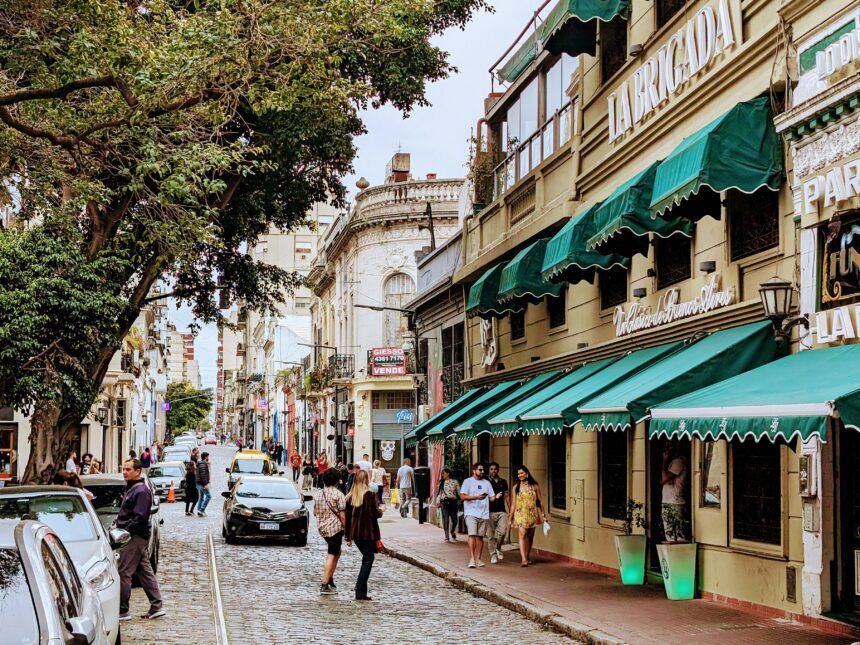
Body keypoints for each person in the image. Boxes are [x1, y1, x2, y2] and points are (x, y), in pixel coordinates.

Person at [116, 458, 165, 620]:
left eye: (128, 469)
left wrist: (125, 532)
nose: (124, 472)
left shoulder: (141, 491)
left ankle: (123, 610)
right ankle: (157, 605)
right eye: (123, 469)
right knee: (144, 571)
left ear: (138, 471)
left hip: (135, 536)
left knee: (124, 572)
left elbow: (140, 517)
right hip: (135, 535)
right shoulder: (132, 488)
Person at [345, 470, 383, 601]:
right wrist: (381, 510)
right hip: (367, 533)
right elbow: (374, 514)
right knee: (368, 559)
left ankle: (360, 590)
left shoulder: (351, 496)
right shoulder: (369, 495)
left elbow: (348, 519)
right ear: (366, 480)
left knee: (367, 558)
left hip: (356, 534)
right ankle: (360, 590)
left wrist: (348, 536)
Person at [314, 467, 347, 595]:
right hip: (335, 528)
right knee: (332, 554)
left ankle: (330, 578)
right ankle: (324, 584)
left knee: (337, 552)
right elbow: (343, 516)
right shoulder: (339, 495)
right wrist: (347, 530)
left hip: (322, 528)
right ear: (336, 481)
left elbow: (315, 512)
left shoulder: (318, 494)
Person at [508, 465, 544, 567]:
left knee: (530, 535)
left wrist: (543, 515)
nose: (520, 475)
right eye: (518, 474)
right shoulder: (516, 487)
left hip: (532, 514)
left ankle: (527, 556)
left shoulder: (535, 486)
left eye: (521, 473)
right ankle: (523, 559)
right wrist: (510, 518)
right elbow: (513, 504)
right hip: (520, 514)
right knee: (522, 534)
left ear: (527, 474)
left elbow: (539, 502)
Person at [459, 462, 494, 568]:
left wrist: (496, 497)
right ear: (474, 471)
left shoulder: (487, 483)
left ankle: (478, 558)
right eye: (480, 470)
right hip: (471, 512)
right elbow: (462, 496)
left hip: (483, 513)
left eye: (483, 470)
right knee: (472, 534)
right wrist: (476, 497)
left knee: (480, 537)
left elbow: (491, 497)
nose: (482, 472)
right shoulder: (467, 482)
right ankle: (472, 558)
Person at [661, 441, 689, 542]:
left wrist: (664, 460)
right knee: (670, 533)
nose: (667, 449)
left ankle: (680, 556)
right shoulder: (674, 461)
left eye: (670, 445)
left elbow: (665, 479)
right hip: (669, 501)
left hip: (674, 501)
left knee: (676, 534)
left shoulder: (679, 461)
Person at [486, 461, 509, 564]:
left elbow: (507, 496)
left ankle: (498, 547)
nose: (493, 471)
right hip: (489, 511)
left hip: (501, 511)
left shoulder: (503, 482)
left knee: (503, 531)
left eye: (495, 469)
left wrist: (511, 509)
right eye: (491, 469)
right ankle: (493, 555)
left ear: (498, 470)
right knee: (490, 535)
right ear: (489, 470)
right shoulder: (485, 482)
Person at [435, 468, 460, 542]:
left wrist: (462, 499)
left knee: (454, 519)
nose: (442, 475)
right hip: (444, 503)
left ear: (448, 473)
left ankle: (452, 531)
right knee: (445, 520)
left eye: (444, 473)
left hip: (453, 502)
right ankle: (447, 536)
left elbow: (459, 492)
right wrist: (437, 502)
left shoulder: (455, 482)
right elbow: (439, 493)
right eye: (442, 473)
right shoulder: (441, 483)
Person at [195, 451, 212, 517]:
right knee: (208, 496)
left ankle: (199, 510)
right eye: (208, 456)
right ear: (205, 457)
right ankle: (201, 510)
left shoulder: (201, 463)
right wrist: (205, 484)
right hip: (201, 483)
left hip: (199, 483)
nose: (208, 458)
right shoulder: (203, 465)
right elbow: (203, 475)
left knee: (201, 497)